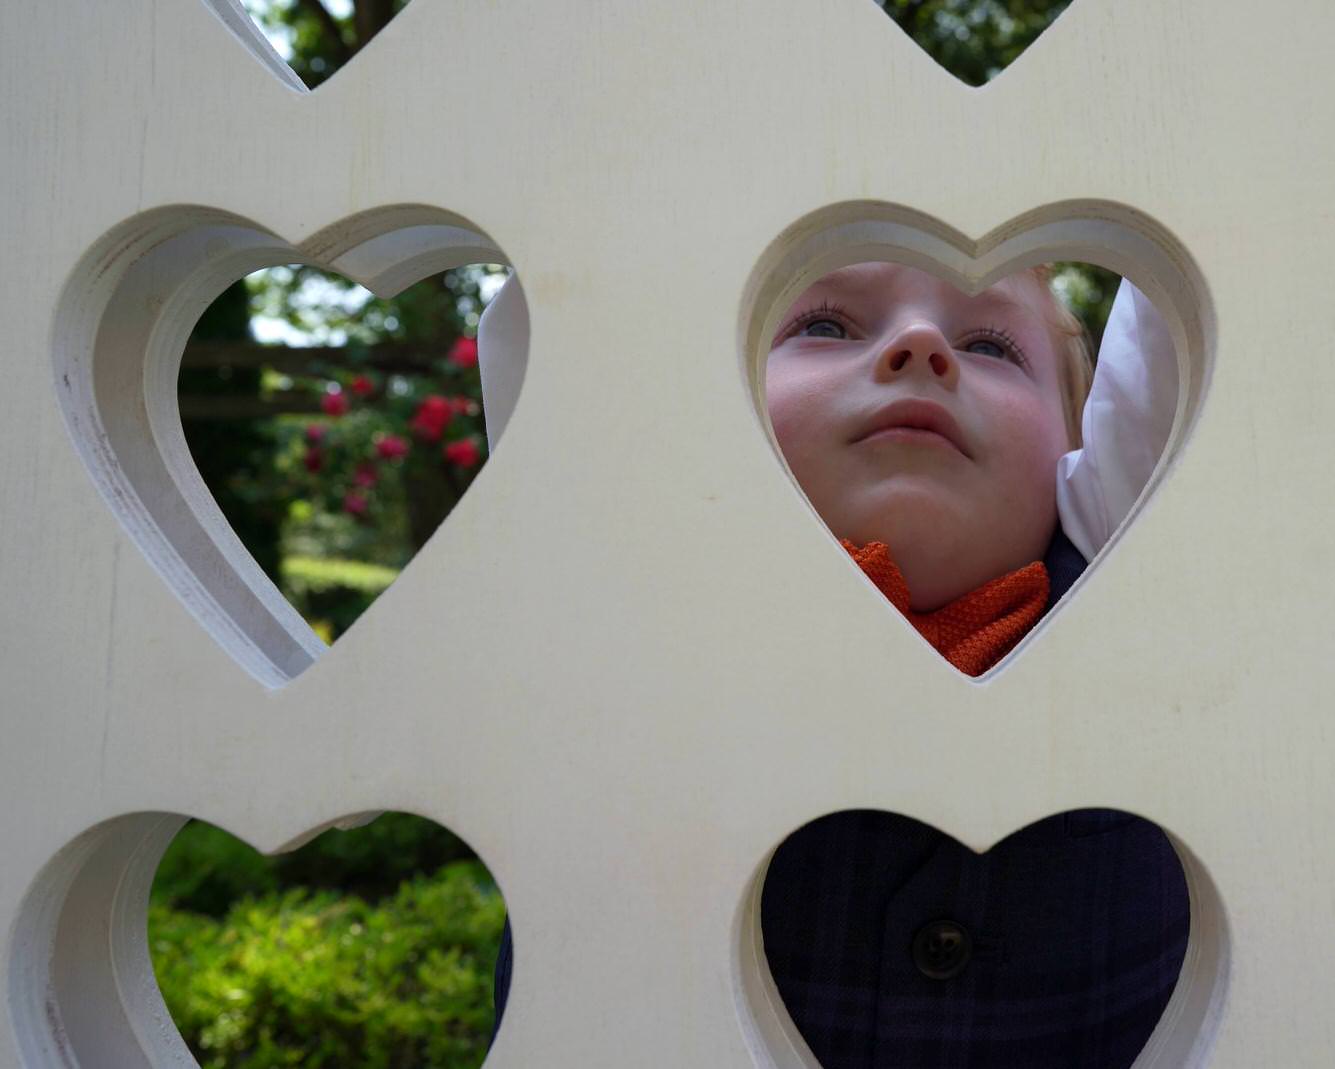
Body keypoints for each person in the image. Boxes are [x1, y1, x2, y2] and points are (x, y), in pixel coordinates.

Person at [484, 262, 1191, 1068]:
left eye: (991, 344)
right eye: (825, 327)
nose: (921, 346)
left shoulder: (1128, 573)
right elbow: (573, 285)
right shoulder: (646, 585)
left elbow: (1189, 300)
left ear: (1080, 452)